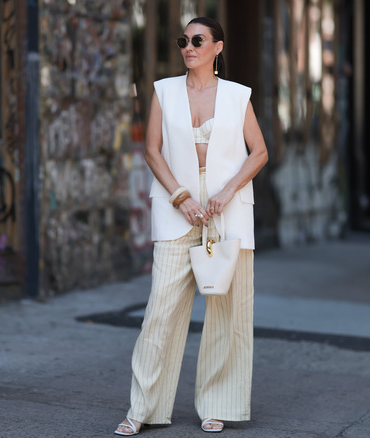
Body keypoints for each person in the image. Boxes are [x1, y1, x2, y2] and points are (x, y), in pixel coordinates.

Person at [115, 16, 268, 436]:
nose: (189, 46)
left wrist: (227, 192)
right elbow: (151, 150)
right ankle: (142, 408)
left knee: (228, 311)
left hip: (229, 210)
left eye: (198, 40)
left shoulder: (238, 96)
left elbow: (259, 152)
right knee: (159, 311)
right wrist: (181, 197)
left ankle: (216, 403)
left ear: (218, 47)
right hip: (175, 208)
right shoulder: (164, 91)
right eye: (184, 40)